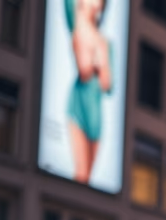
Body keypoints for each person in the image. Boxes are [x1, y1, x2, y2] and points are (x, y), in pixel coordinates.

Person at [65, 0, 113, 184]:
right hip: (78, 106)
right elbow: (84, 70)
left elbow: (107, 83)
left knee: (87, 181)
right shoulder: (78, 29)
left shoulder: (103, 42)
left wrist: (100, 62)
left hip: (96, 114)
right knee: (81, 175)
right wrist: (98, 62)